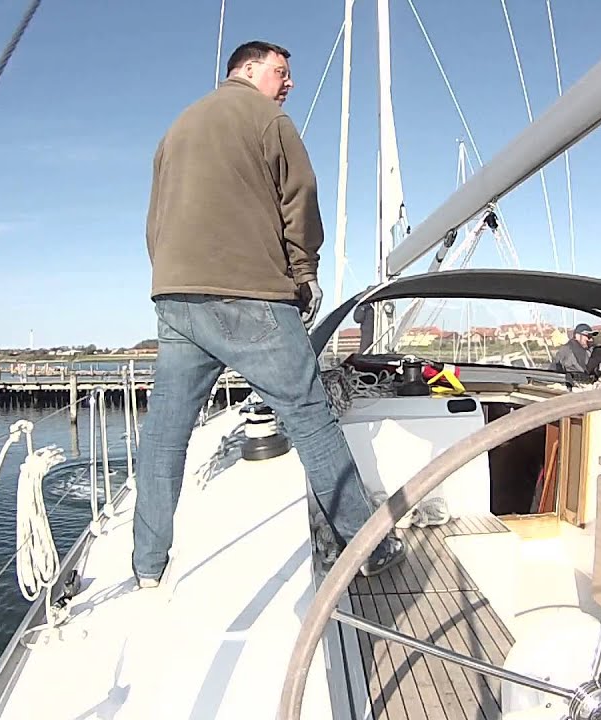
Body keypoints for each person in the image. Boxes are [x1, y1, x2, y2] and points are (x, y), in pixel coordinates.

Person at [133, 40, 405, 588]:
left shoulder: (177, 128)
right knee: (309, 416)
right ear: (248, 71)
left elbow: (154, 218)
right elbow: (300, 198)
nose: (289, 84)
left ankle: (147, 565)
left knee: (165, 436)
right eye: (281, 72)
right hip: (249, 294)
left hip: (177, 299)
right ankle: (367, 545)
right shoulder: (267, 119)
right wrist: (303, 273)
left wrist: (170, 281)